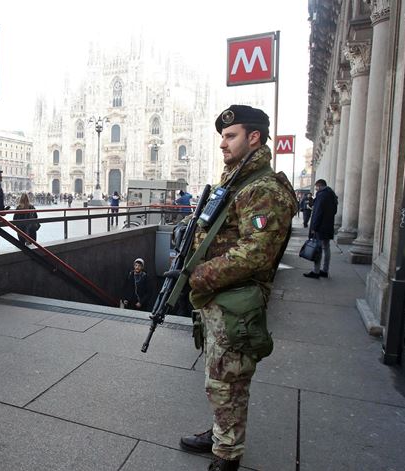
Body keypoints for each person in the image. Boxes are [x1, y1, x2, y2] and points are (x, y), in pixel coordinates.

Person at [178, 105, 296, 471]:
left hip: (237, 298)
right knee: (219, 374)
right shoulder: (236, 179)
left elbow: (257, 252)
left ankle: (227, 456)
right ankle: (219, 433)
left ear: (254, 138)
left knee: (230, 379)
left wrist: (198, 275)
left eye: (231, 136)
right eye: (222, 138)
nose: (223, 145)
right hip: (222, 296)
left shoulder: (262, 188)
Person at [304, 179, 338, 279]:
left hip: (320, 227)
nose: (316, 189)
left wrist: (314, 227)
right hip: (328, 226)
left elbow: (317, 212)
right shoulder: (331, 195)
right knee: (326, 248)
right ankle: (325, 270)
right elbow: (334, 211)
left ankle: (316, 271)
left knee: (317, 248)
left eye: (316, 187)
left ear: (319, 185)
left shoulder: (321, 195)